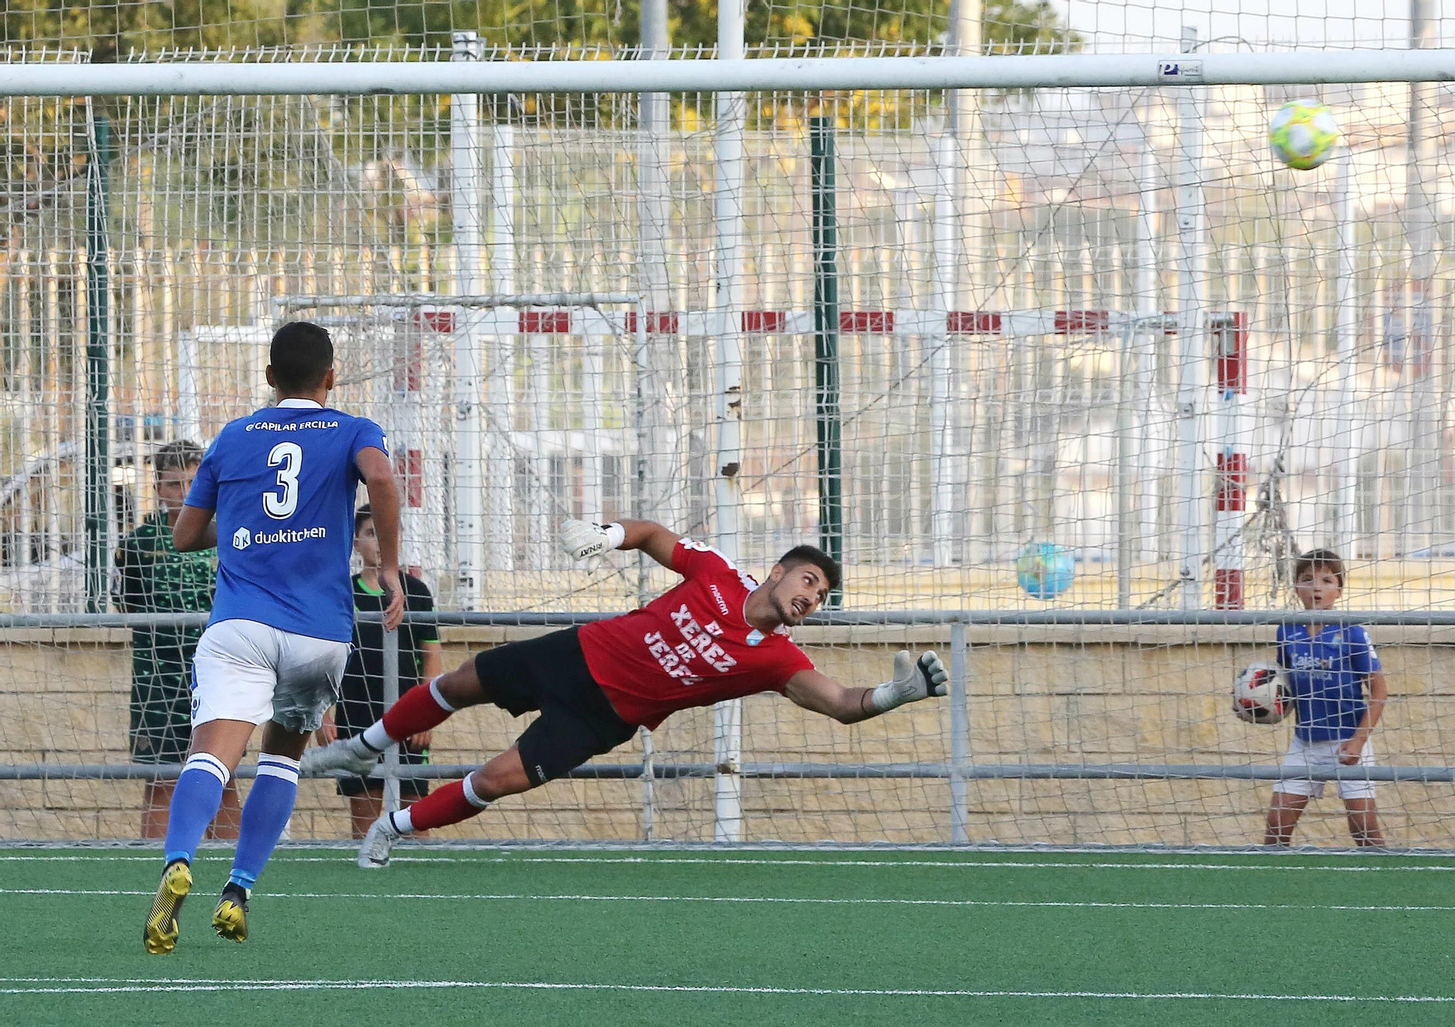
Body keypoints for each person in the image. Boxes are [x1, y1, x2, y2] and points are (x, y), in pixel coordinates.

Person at [303, 519, 949, 868]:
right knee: (456, 682)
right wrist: (607, 533)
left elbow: (839, 702)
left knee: (494, 781)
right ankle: (361, 746)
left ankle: (390, 827)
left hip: (602, 717)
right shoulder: (717, 573)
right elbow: (650, 535)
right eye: (807, 580)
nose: (809, 597)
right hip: (577, 652)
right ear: (778, 570)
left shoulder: (777, 658)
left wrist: (896, 694)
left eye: (819, 597)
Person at [142, 320, 403, 954]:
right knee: (281, 760)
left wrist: (242, 525)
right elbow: (384, 480)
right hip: (317, 634)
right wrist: (389, 566)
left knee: (211, 755)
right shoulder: (353, 430)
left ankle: (178, 860)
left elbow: (185, 535)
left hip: (241, 624)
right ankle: (239, 888)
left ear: (268, 378)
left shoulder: (233, 437)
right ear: (331, 377)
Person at [116, 440, 240, 840]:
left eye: (192, 482)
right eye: (173, 484)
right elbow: (129, 605)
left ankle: (231, 868)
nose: (184, 493)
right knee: (162, 779)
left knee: (222, 777)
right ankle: (159, 865)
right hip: (159, 678)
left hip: (218, 672)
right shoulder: (139, 544)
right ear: (157, 488)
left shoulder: (228, 532)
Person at [319, 503, 441, 839]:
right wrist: (324, 714)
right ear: (355, 543)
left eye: (386, 533)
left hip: (408, 715)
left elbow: (431, 657)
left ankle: (421, 884)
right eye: (371, 534)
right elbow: (326, 658)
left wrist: (427, 715)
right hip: (356, 713)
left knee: (416, 817)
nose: (380, 542)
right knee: (365, 818)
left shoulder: (416, 592)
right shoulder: (342, 593)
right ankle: (368, 878)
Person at [1263, 548, 1388, 848]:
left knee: (1364, 829)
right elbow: (1285, 683)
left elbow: (1380, 690)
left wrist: (1358, 741)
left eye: (1326, 580)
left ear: (1339, 590)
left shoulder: (1352, 631)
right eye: (1307, 579)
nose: (1316, 587)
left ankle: (1386, 882)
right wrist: (1258, 699)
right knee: (1277, 826)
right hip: (1305, 742)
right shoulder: (1287, 631)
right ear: (1296, 588)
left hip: (1347, 740)